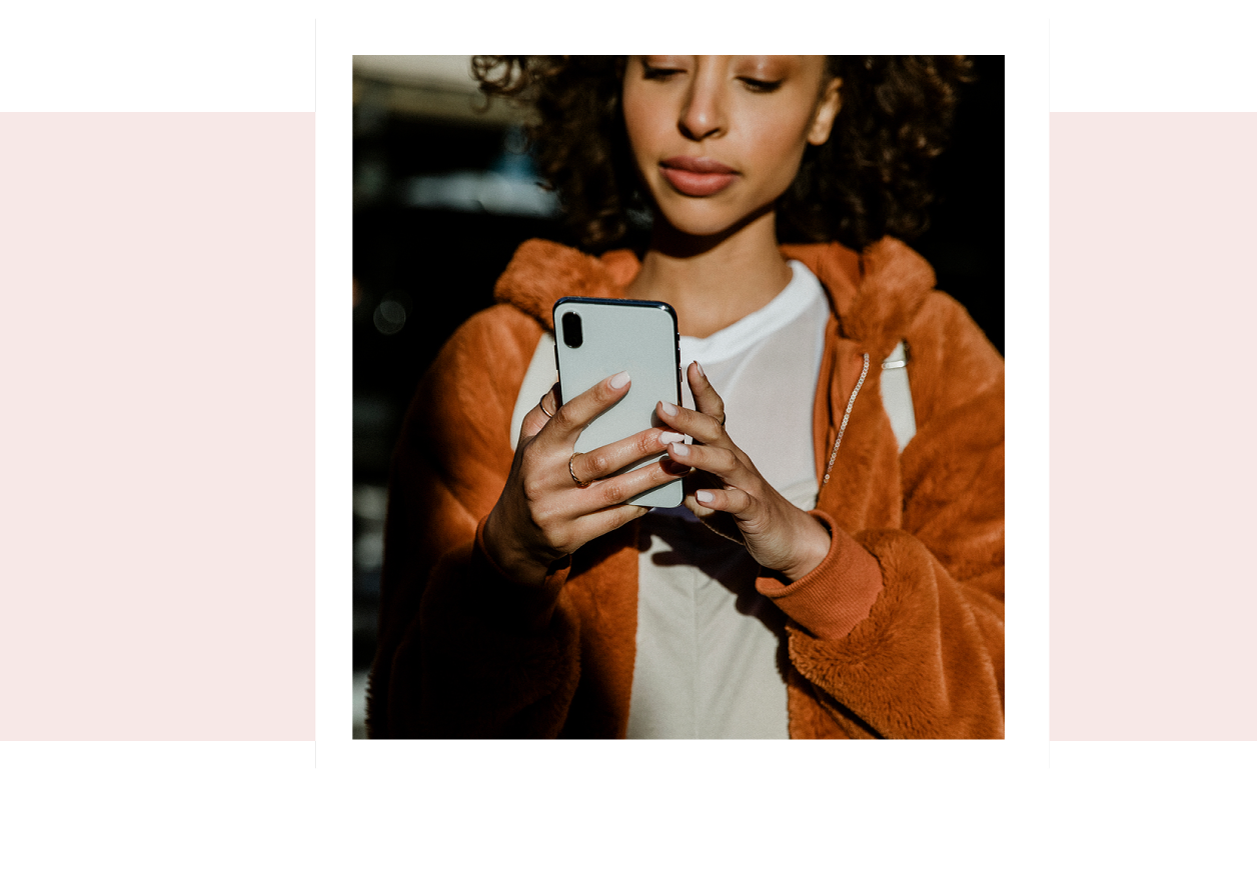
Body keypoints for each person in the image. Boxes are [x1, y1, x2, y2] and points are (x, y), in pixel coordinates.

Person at [367, 56, 1004, 738]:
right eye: (664, 70)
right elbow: (411, 734)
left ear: (826, 107)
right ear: (613, 81)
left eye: (756, 80)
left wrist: (811, 556)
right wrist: (507, 567)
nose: (700, 117)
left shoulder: (925, 356)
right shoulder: (499, 362)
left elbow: (1006, 704)